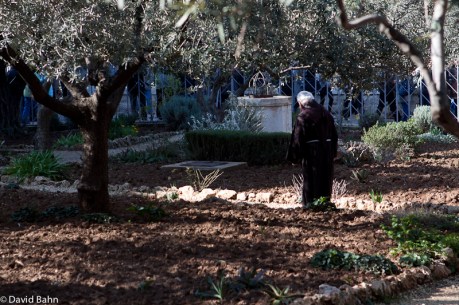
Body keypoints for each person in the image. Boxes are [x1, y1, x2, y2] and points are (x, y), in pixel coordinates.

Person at [287, 91, 338, 208]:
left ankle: (310, 204)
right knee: (326, 176)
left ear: (300, 104)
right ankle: (324, 202)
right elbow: (334, 135)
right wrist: (333, 152)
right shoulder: (326, 113)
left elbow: (298, 137)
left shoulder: (303, 116)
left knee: (311, 178)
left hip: (311, 153)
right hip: (327, 151)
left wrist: (294, 156)